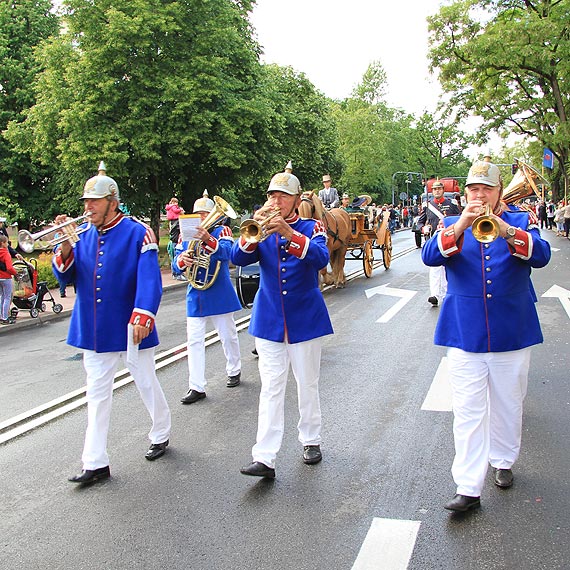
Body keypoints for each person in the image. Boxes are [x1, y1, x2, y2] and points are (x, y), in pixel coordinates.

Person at [422, 160, 551, 513]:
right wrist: (462, 223)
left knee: (509, 402)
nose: (479, 195)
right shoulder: (451, 223)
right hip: (464, 330)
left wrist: (507, 230)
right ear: (465, 194)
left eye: (486, 189)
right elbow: (430, 256)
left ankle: (504, 460)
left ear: (498, 193)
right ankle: (467, 486)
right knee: (466, 410)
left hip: (512, 326)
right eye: (473, 190)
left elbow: (541, 256)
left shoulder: (522, 220)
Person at [52, 161, 171, 485]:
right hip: (95, 329)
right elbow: (65, 276)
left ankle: (161, 431)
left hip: (130, 324)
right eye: (85, 202)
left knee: (146, 381)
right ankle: (95, 461)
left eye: (94, 201)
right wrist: (65, 245)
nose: (87, 208)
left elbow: (150, 281)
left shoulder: (138, 232)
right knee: (97, 394)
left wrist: (144, 315)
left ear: (112, 201)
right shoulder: (83, 236)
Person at [231, 164, 333, 479]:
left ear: (297, 198)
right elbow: (238, 257)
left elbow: (320, 259)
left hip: (305, 315)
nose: (276, 200)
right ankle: (265, 456)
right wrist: (252, 233)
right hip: (270, 316)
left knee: (307, 382)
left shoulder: (312, 226)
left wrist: (289, 234)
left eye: (283, 196)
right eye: (272, 194)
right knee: (271, 386)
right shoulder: (259, 225)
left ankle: (310, 438)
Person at [172, 191, 242, 404]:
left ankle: (234, 369)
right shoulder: (186, 234)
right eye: (198, 214)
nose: (202, 218)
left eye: (205, 214)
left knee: (227, 335)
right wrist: (183, 260)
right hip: (196, 294)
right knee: (193, 341)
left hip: (218, 290)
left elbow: (228, 254)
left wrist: (208, 240)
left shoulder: (223, 230)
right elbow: (176, 267)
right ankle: (196, 386)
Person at [417, 179, 461, 306]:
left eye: (439, 189)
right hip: (434, 239)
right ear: (432, 192)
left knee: (448, 267)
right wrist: (422, 228)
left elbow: (459, 218)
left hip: (449, 238)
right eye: (435, 189)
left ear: (443, 190)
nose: (437, 191)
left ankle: (447, 294)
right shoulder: (427, 205)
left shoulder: (451, 204)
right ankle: (434, 295)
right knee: (435, 268)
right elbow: (421, 221)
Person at [166, 197, 186, 281]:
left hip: (174, 241)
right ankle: (176, 274)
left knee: (174, 257)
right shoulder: (177, 222)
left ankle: (176, 273)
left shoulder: (173, 221)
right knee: (175, 258)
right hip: (175, 241)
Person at [0, 234, 18, 325]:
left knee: (1, 297)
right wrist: (15, 273)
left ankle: (0, 316)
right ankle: (5, 317)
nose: (8, 244)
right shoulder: (5, 253)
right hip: (6, 277)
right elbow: (9, 268)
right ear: (2, 243)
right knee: (7, 297)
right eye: (7, 242)